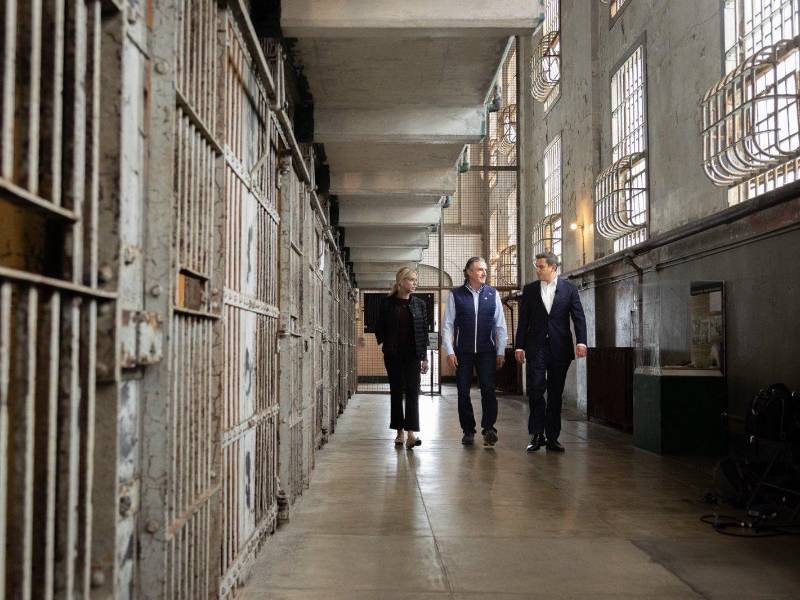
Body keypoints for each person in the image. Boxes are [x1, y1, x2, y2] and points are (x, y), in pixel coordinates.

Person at [515, 252, 587, 453]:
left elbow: (578, 317)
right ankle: (537, 434)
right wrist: (519, 346)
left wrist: (581, 341)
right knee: (536, 389)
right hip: (536, 346)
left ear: (553, 268)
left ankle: (553, 437)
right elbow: (523, 321)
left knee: (555, 392)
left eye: (541, 266)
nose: (537, 270)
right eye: (536, 266)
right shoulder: (529, 290)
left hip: (560, 347)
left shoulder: (569, 289)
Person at [442, 257, 508, 447]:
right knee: (463, 390)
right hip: (463, 351)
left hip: (487, 351)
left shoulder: (492, 294)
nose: (483, 273)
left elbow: (500, 325)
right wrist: (449, 351)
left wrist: (501, 350)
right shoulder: (456, 295)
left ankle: (489, 428)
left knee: (487, 388)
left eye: (485, 269)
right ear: (469, 272)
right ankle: (468, 431)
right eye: (479, 269)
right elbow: (448, 325)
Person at [375, 267, 430, 449]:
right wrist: (385, 343)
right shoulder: (387, 304)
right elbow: (379, 326)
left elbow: (423, 332)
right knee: (396, 392)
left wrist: (424, 358)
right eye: (411, 280)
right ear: (400, 282)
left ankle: (411, 433)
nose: (415, 283)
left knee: (413, 392)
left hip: (413, 355)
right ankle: (399, 432)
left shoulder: (419, 304)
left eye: (415, 280)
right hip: (393, 355)